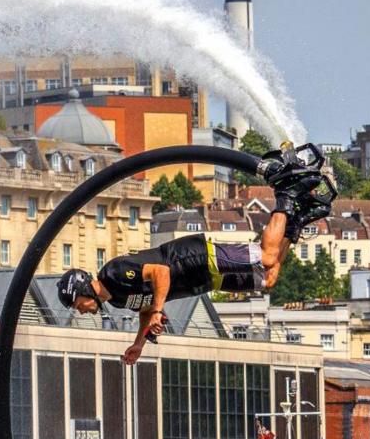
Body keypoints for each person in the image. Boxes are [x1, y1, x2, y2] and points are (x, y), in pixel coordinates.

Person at [56, 145, 330, 364]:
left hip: (193, 259)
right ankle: (296, 222)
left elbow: (159, 272)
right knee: (268, 279)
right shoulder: (115, 300)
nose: (79, 310)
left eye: (75, 302)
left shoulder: (113, 274)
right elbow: (145, 309)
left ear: (82, 288)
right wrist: (139, 343)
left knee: (266, 257)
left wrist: (159, 310)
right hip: (203, 281)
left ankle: (286, 194)